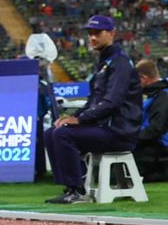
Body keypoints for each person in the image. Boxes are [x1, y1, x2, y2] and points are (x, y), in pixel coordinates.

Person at [43, 16, 143, 203]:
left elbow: (112, 102)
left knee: (62, 135)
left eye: (98, 33)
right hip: (105, 128)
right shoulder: (104, 63)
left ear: (112, 33)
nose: (93, 38)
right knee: (52, 132)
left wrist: (80, 120)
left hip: (119, 131)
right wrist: (71, 117)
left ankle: (78, 192)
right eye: (90, 34)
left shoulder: (119, 62)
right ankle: (71, 186)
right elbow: (92, 102)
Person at [137, 59, 168, 182]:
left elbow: (155, 129)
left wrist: (130, 137)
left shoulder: (163, 97)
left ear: (144, 78)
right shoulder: (156, 95)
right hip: (154, 148)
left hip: (158, 153)